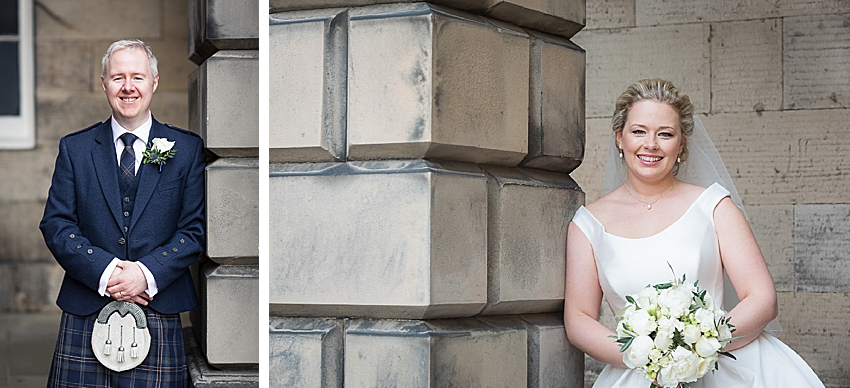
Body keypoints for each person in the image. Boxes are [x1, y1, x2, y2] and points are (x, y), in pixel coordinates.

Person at [564, 79, 824, 387]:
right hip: (639, 375)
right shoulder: (588, 224)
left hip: (728, 366)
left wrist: (696, 352)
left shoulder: (714, 206)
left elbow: (763, 298)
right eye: (638, 131)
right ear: (620, 138)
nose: (651, 144)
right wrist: (652, 360)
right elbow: (579, 319)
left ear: (681, 144)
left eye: (665, 134)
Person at [40, 39, 205, 387]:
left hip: (157, 307)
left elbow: (194, 231)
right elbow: (56, 224)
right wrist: (108, 272)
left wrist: (144, 274)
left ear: (154, 82)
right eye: (118, 78)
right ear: (104, 83)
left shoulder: (187, 149)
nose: (128, 87)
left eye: (137, 77)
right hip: (87, 303)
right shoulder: (76, 148)